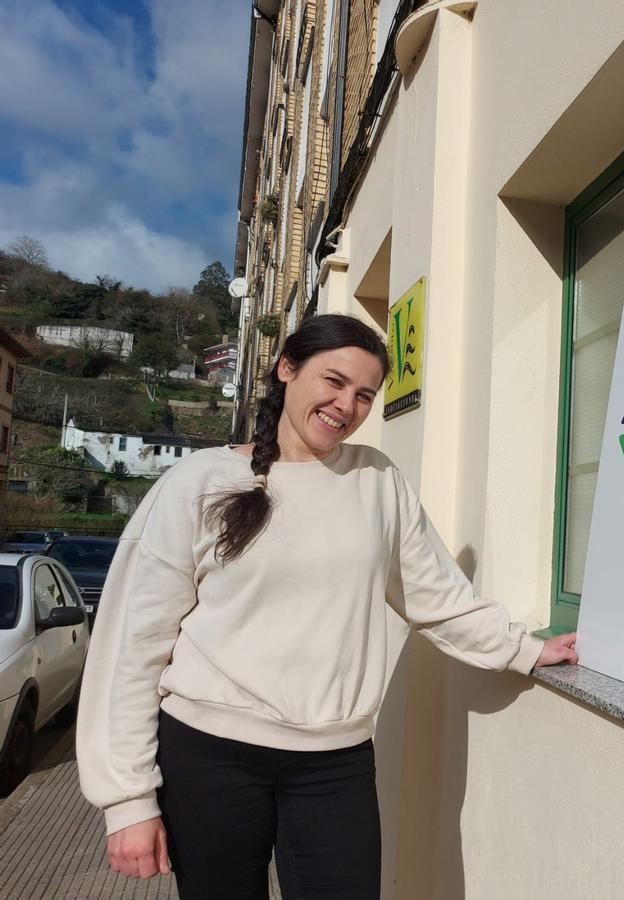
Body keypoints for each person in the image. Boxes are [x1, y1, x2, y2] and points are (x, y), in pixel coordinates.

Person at [77, 313, 578, 899]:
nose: (347, 405)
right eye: (333, 381)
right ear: (286, 369)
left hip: (333, 760)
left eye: (365, 394)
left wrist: (525, 648)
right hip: (209, 756)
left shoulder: (376, 480)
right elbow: (134, 643)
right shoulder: (200, 481)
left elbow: (436, 595)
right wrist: (128, 799)